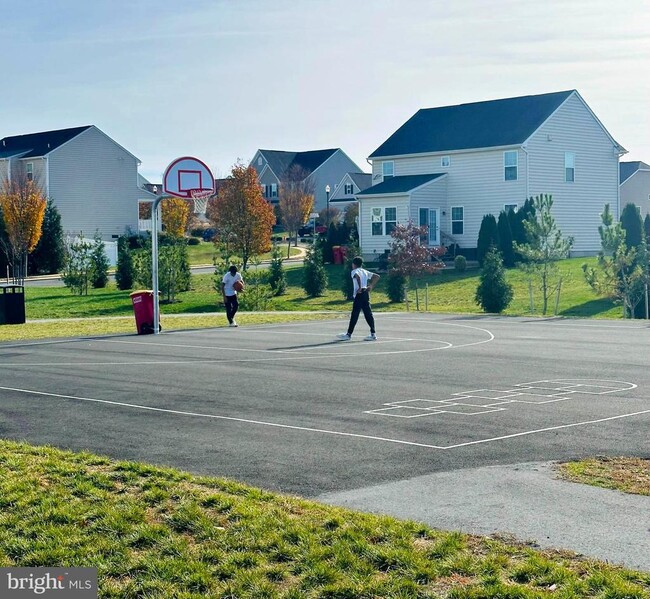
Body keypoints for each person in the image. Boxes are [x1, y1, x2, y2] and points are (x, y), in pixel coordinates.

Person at [338, 256, 380, 341]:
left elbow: (357, 277)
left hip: (360, 294)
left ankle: (349, 334)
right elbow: (377, 276)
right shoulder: (364, 271)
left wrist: (360, 287)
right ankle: (373, 334)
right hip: (366, 293)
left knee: (355, 314)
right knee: (368, 314)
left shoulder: (354, 271)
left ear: (354, 264)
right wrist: (371, 286)